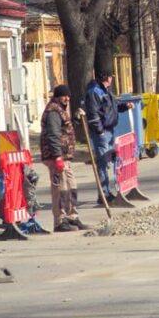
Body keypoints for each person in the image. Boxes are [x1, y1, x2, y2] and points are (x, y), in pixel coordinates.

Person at [41, 84, 87, 232]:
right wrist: (57, 157)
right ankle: (60, 221)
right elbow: (53, 135)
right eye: (63, 96)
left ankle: (72, 216)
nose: (67, 98)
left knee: (71, 185)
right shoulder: (53, 111)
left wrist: (76, 118)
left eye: (68, 96)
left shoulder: (61, 110)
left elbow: (65, 130)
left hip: (65, 156)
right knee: (60, 187)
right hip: (56, 156)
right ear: (57, 97)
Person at [84, 71, 128, 204]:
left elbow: (112, 107)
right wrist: (99, 130)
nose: (112, 79)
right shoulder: (94, 92)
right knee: (103, 163)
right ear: (106, 78)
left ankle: (106, 192)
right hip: (102, 132)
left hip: (109, 130)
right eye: (110, 77)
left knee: (107, 162)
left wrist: (125, 106)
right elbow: (93, 113)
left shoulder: (106, 91)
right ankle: (104, 194)